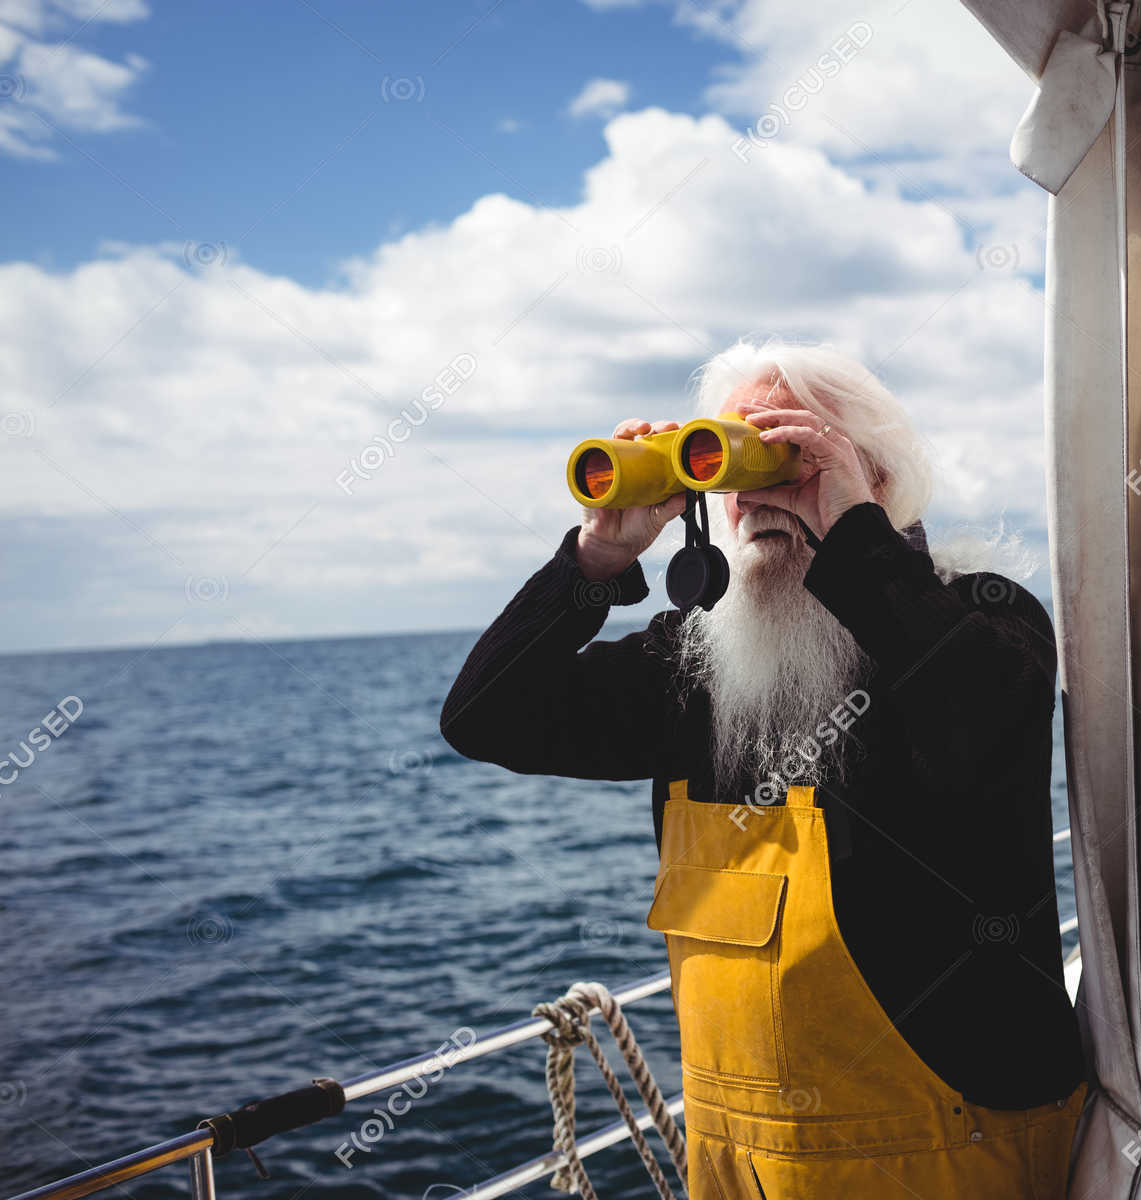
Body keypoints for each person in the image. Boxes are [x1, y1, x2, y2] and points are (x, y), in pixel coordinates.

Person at [440, 339, 1087, 1198]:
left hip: (945, 1153)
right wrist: (595, 559)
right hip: (736, 1165)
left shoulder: (979, 616)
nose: (756, 493)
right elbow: (486, 717)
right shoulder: (695, 667)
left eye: (790, 458)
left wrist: (856, 540)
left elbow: (983, 723)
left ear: (877, 477)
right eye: (731, 463)